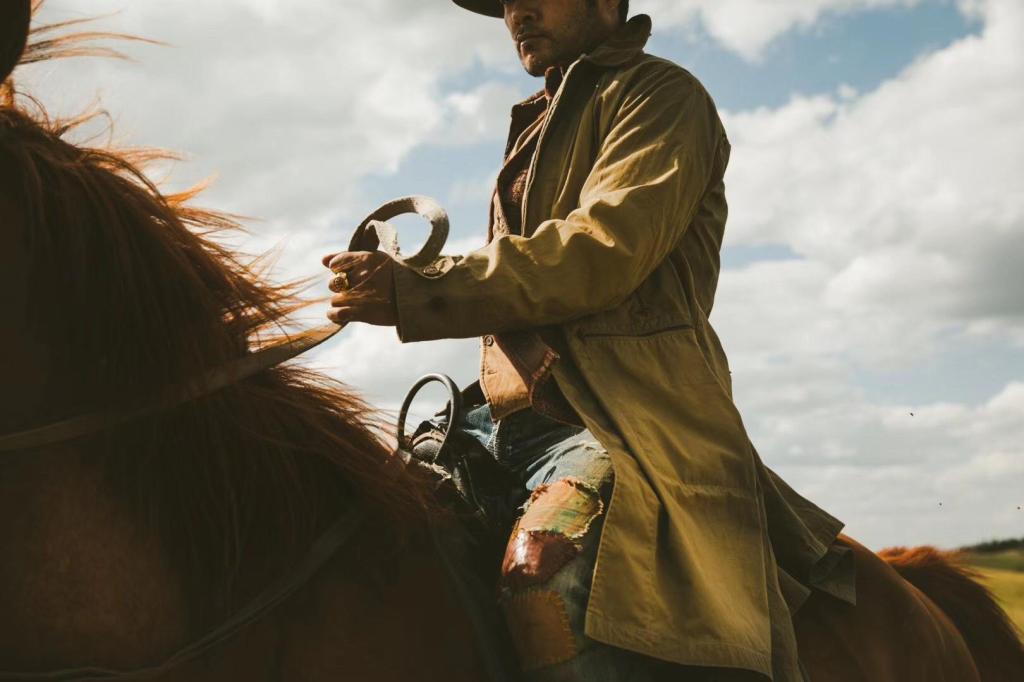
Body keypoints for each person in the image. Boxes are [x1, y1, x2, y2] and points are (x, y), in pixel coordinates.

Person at [323, 1, 856, 680]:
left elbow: (600, 251)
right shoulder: (536, 124)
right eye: (507, 1)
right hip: (506, 415)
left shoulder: (663, 97)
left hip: (624, 412)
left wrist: (415, 288)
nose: (519, 13)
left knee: (542, 573)